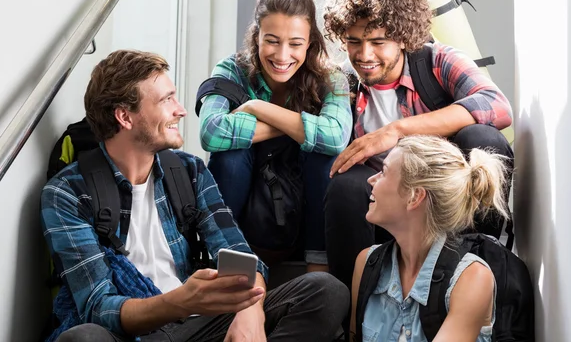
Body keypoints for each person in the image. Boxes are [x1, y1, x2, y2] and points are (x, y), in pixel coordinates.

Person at [41, 50, 349, 342]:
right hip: (132, 332)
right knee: (83, 338)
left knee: (325, 291)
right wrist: (180, 302)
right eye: (166, 100)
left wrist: (249, 308)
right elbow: (98, 306)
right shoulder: (67, 192)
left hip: (198, 325)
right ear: (125, 117)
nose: (181, 109)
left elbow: (240, 256)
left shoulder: (188, 171)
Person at [321, 0, 514, 289]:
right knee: (344, 186)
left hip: (445, 202)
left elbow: (497, 105)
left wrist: (395, 131)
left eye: (378, 41)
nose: (364, 54)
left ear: (402, 36)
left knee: (483, 137)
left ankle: (481, 270)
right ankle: (353, 301)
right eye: (354, 41)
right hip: (384, 206)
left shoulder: (436, 60)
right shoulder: (342, 83)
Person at [198, 0, 352, 271]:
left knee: (323, 155)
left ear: (310, 43)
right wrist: (301, 127)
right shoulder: (232, 69)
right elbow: (211, 132)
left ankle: (317, 267)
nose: (283, 56)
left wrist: (257, 107)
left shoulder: (330, 78)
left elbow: (335, 137)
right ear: (256, 36)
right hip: (249, 193)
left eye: (295, 44)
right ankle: (225, 261)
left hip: (305, 193)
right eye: (272, 41)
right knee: (229, 155)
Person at [351, 135, 509, 342]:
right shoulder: (367, 264)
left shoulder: (471, 279)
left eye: (384, 172)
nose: (371, 179)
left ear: (415, 196)